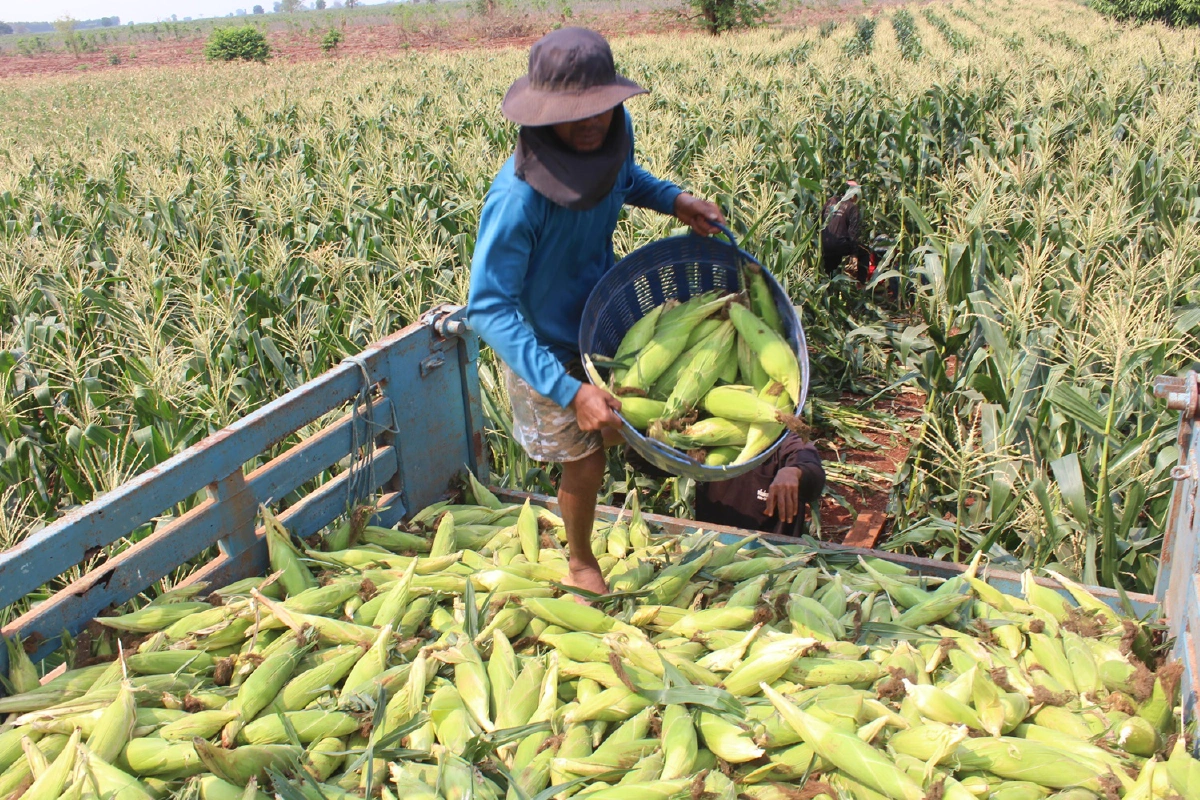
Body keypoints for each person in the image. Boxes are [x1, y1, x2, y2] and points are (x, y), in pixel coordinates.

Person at [467, 27, 725, 596]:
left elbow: (624, 179)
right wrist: (567, 390)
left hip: (600, 321)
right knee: (583, 460)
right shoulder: (518, 200)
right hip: (542, 349)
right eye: (572, 112)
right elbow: (487, 307)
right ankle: (581, 560)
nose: (590, 123)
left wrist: (676, 201)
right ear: (540, 113)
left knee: (612, 431)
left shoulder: (608, 141)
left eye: (601, 109)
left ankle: (588, 493)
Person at [693, 433, 825, 537]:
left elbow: (813, 471)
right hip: (711, 541)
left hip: (770, 551)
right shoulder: (707, 436)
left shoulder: (784, 441)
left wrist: (794, 472)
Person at [821, 181, 874, 284]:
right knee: (865, 252)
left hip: (824, 244)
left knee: (831, 271)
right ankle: (860, 285)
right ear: (853, 194)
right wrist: (854, 255)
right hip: (840, 245)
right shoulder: (851, 206)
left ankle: (829, 290)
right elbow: (853, 233)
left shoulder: (829, 201)